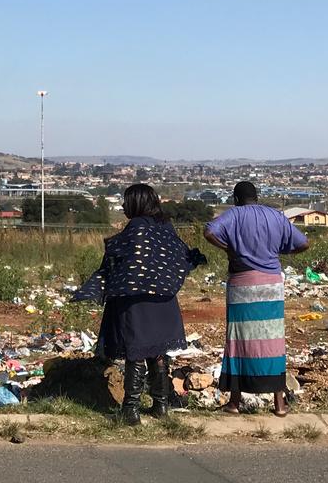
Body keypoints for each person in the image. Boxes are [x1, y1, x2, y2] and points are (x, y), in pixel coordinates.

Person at [74, 183, 206, 424]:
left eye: (126, 201)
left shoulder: (136, 227)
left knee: (135, 351)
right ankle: (161, 406)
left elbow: (119, 257)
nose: (124, 205)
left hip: (137, 300)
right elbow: (178, 255)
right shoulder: (165, 227)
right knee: (157, 352)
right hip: (164, 299)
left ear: (136, 202)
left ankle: (131, 410)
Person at [204, 181, 309, 417]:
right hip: (271, 284)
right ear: (257, 197)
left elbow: (209, 231)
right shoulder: (276, 216)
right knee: (273, 341)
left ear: (236, 198)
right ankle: (279, 405)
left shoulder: (235, 214)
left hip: (242, 283)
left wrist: (229, 250)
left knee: (239, 341)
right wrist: (281, 251)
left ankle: (234, 403)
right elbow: (304, 243)